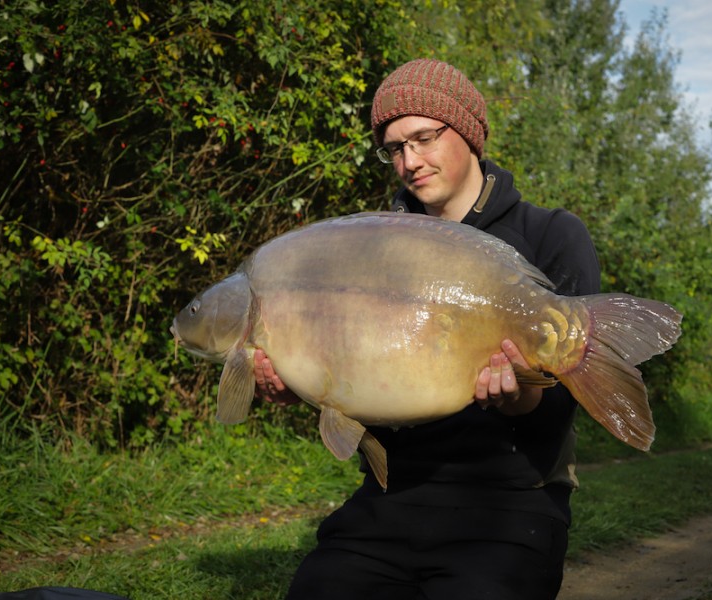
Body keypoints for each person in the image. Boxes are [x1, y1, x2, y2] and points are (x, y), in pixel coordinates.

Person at [254, 58, 601, 600]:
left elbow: (558, 411)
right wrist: (295, 384)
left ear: (467, 133)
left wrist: (518, 400)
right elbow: (357, 381)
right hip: (392, 496)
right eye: (394, 148)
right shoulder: (368, 249)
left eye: (423, 138)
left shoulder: (551, 233)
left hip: (509, 504)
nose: (409, 161)